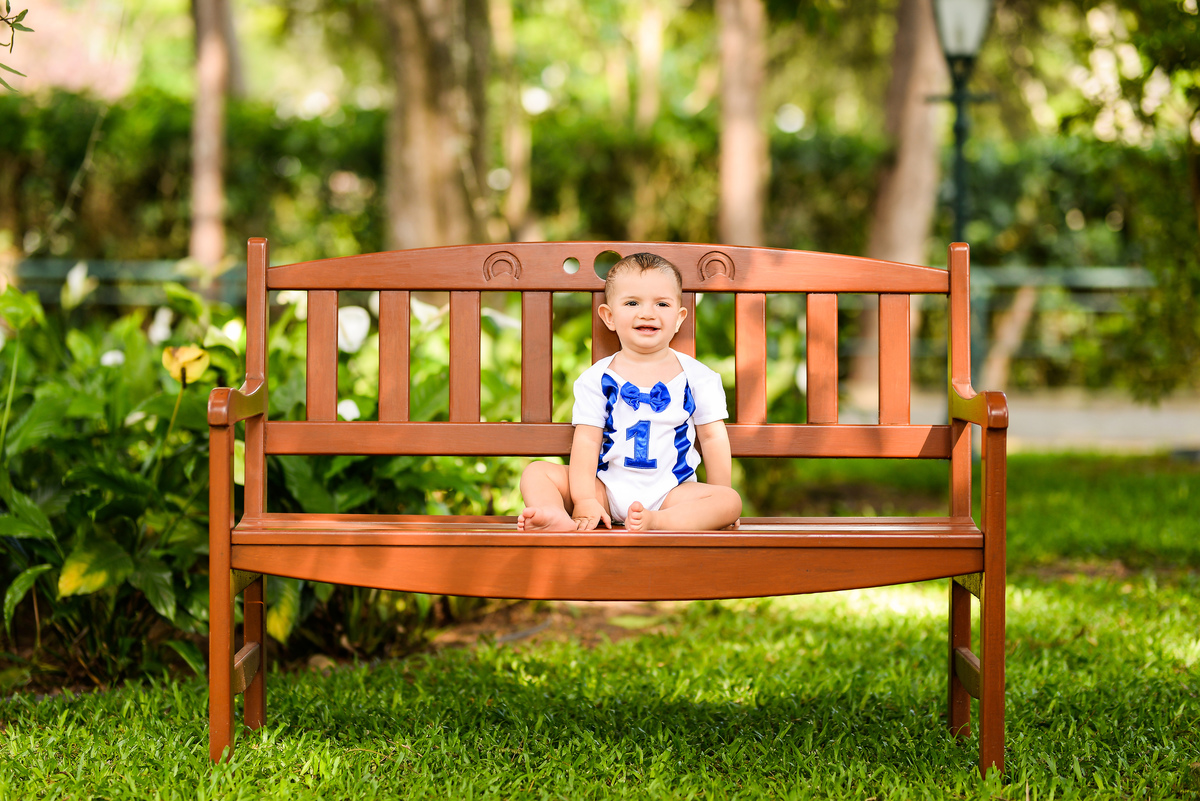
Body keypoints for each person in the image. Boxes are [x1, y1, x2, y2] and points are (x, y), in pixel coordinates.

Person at [517, 252, 742, 532]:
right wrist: (585, 498)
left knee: (729, 499)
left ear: (679, 318)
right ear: (609, 316)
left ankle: (659, 522)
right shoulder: (597, 379)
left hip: (671, 495)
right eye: (632, 302)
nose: (647, 312)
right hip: (606, 491)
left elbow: (712, 438)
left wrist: (718, 501)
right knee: (536, 473)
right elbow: (586, 442)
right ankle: (553, 516)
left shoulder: (698, 378)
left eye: (662, 303)